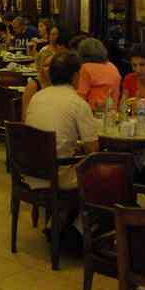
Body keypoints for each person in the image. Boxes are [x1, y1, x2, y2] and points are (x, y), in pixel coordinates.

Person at [23, 51, 100, 188]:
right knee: (107, 170)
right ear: (76, 75)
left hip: (30, 172)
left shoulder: (37, 96)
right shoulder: (78, 103)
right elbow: (92, 150)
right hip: (58, 176)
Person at [76, 37, 122, 111]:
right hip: (112, 113)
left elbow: (81, 96)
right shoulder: (112, 66)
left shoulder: (86, 68)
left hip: (93, 112)